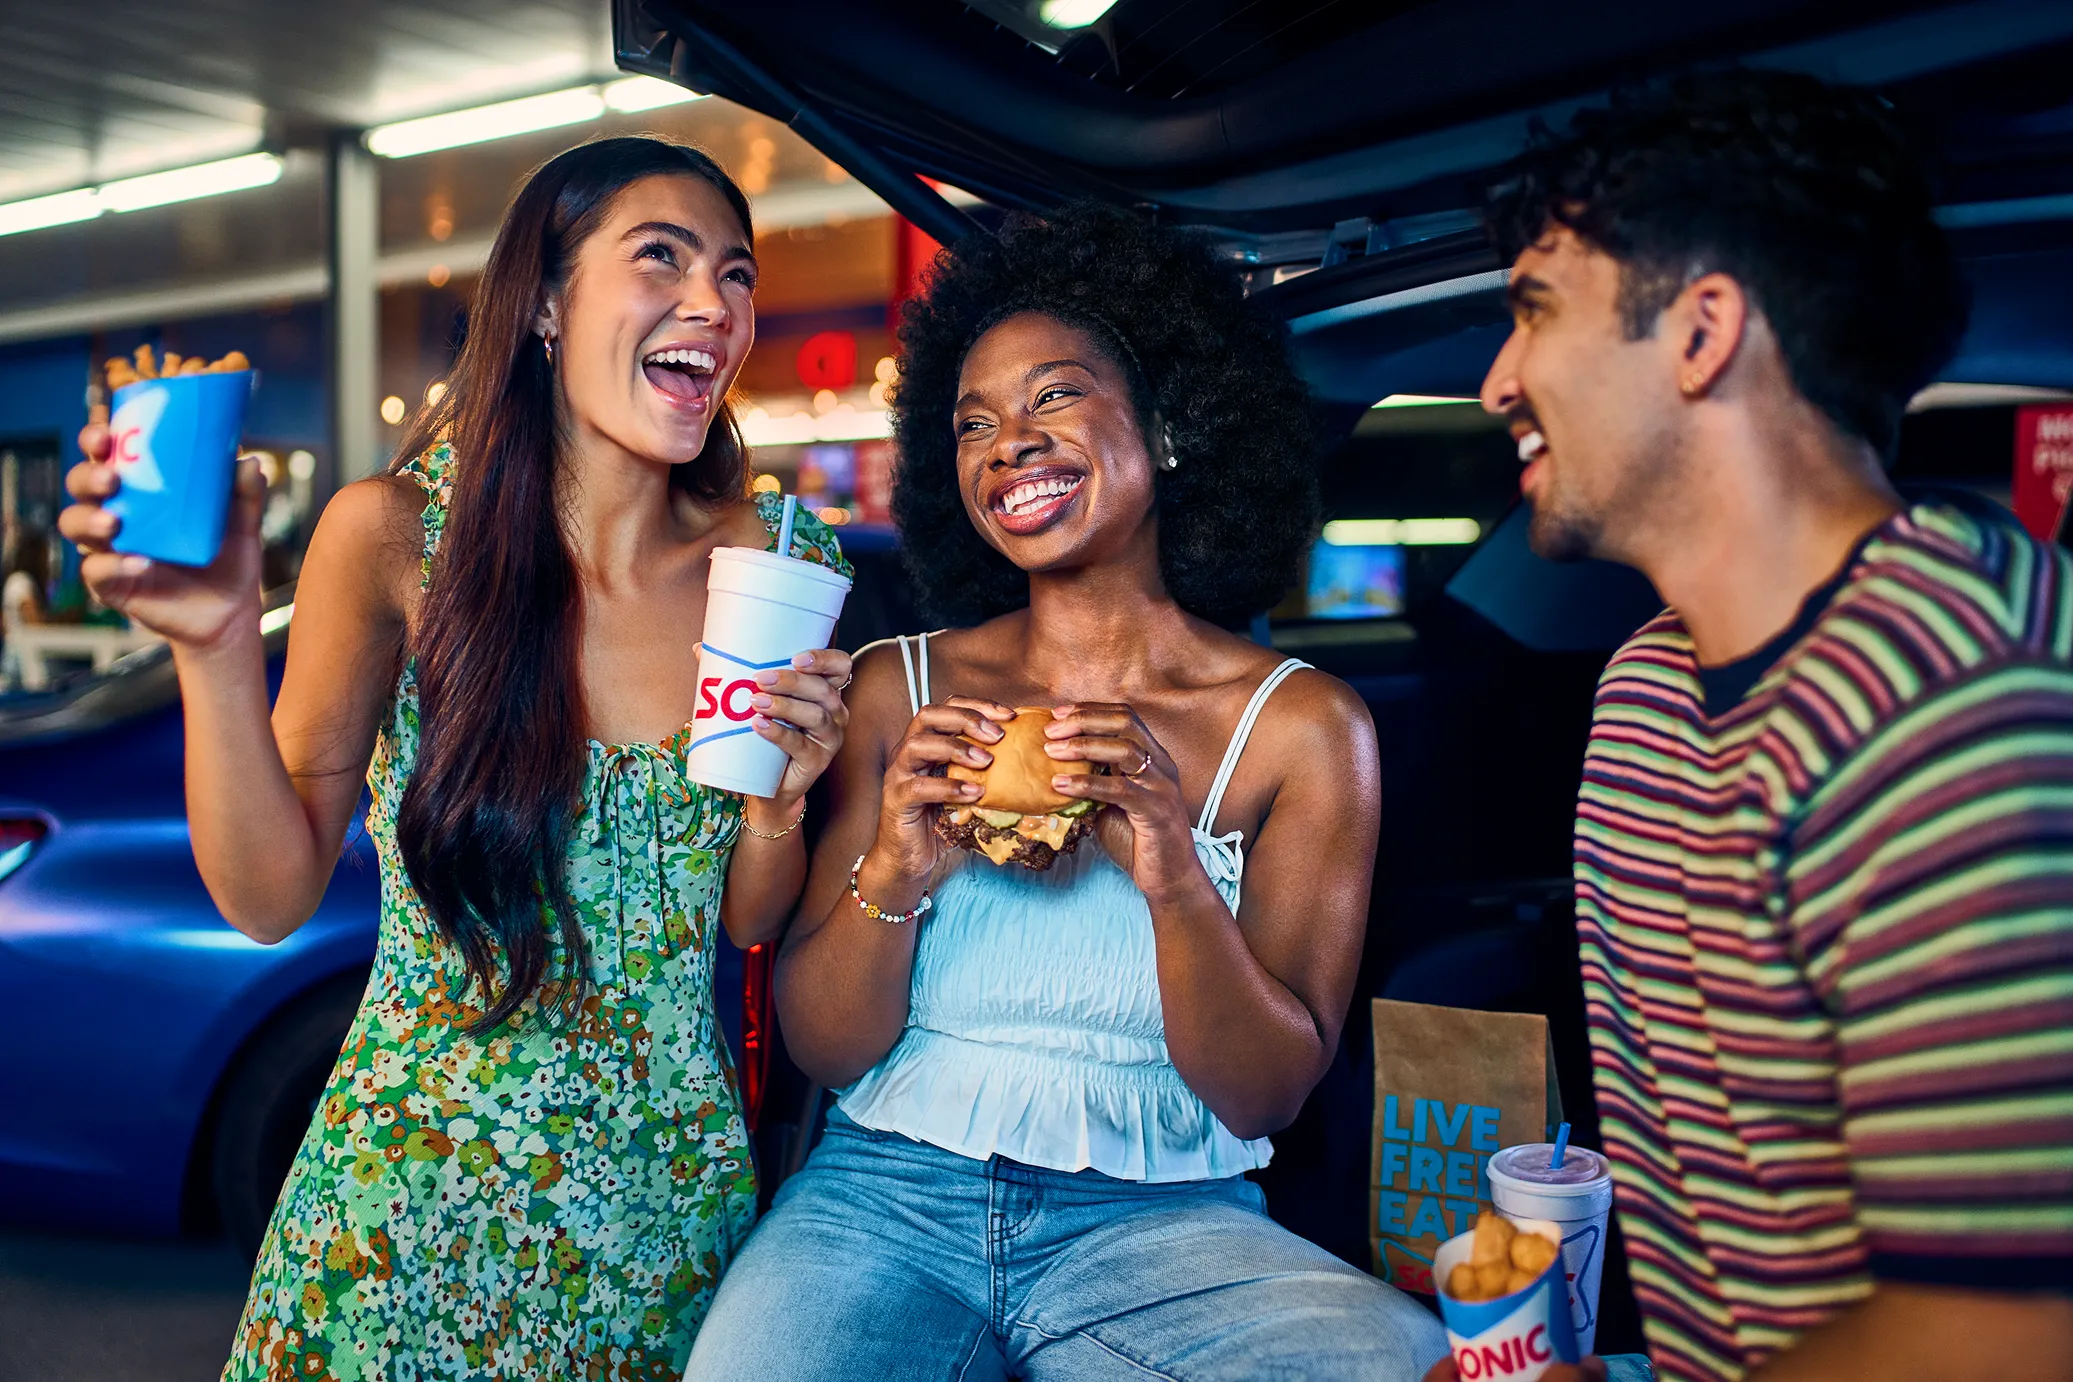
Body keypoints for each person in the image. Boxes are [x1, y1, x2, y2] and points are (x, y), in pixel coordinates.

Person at [57, 137, 853, 1380]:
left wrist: (779, 808)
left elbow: (745, 917)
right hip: (402, 1213)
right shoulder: (392, 537)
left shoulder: (777, 558)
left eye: (738, 274)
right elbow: (269, 898)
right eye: (664, 257)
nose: (717, 304)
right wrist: (214, 644)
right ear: (542, 301)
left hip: (663, 1217)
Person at [684, 203, 1449, 1379]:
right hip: (880, 1200)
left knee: (1407, 1363)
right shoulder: (902, 687)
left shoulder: (1302, 727)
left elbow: (1266, 1094)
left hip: (1168, 1231)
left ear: (1172, 422)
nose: (1008, 444)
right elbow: (826, 1045)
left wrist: (1169, 866)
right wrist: (899, 863)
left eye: (1054, 397)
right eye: (974, 422)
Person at [1425, 71, 2073, 1382]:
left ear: (1700, 330)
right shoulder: (1647, 691)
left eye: (1534, 311)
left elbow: (2007, 1329)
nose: (1496, 381)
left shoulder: (1955, 696)